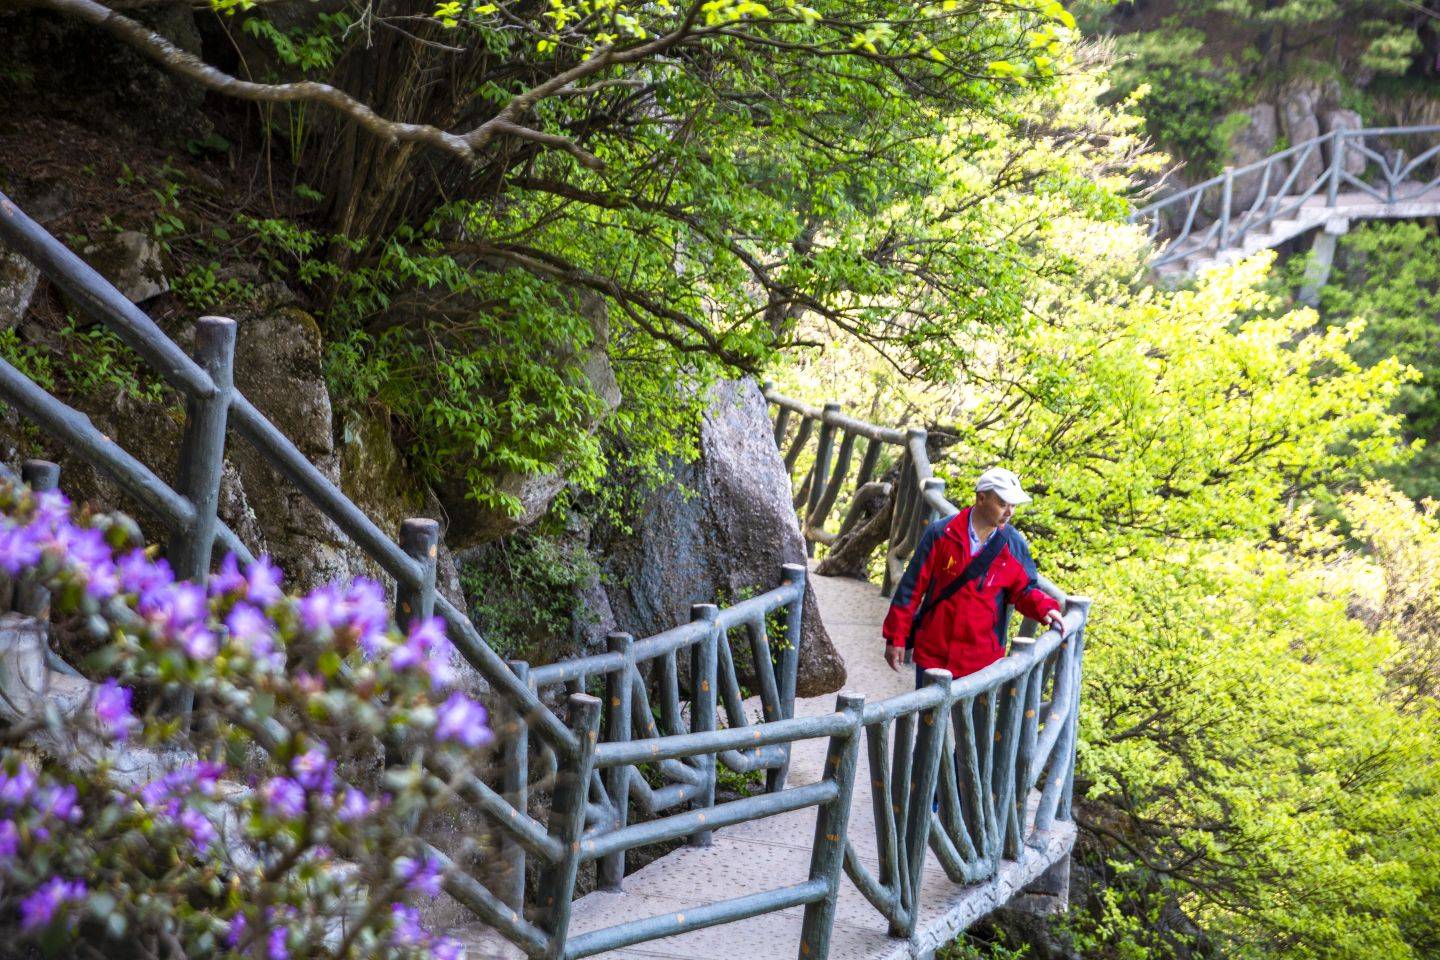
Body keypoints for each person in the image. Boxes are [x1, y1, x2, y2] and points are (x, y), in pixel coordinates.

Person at [882, 466, 1063, 683]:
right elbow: (911, 588)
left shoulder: (1012, 545)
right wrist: (896, 638)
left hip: (983, 662)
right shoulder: (941, 534)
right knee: (928, 716)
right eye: (1002, 504)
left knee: (971, 719)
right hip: (934, 654)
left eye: (1013, 505)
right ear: (981, 498)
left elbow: (1024, 590)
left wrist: (1046, 607)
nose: (1009, 512)